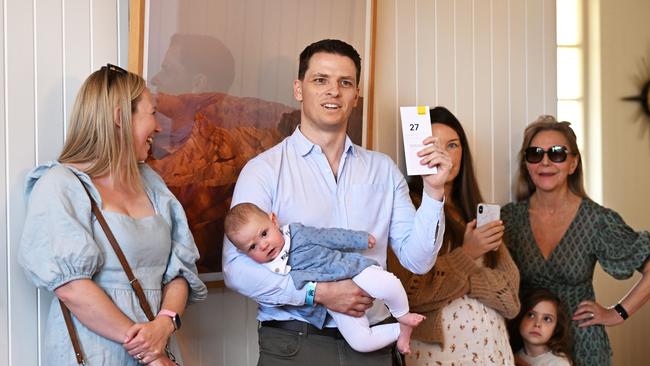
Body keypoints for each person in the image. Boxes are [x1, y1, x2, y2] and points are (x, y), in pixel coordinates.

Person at [223, 39, 452, 366]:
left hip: (373, 342)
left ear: (355, 96)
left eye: (345, 83)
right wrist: (318, 293)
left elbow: (418, 261)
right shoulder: (263, 170)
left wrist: (433, 192)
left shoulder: (382, 169)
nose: (334, 91)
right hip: (294, 342)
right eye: (321, 80)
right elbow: (236, 270)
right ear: (299, 89)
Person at [18, 64, 208, 366]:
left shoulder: (153, 184)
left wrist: (164, 324)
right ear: (121, 118)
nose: (158, 127)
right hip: (97, 352)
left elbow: (180, 270)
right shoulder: (60, 185)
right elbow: (72, 288)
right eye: (152, 113)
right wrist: (147, 349)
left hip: (158, 350)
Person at [502, 115, 650, 366]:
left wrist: (617, 313)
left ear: (572, 163)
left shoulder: (597, 220)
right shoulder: (510, 219)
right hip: (526, 347)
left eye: (557, 153)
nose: (545, 161)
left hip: (583, 345)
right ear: (527, 164)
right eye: (535, 153)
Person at [392, 106, 520, 365]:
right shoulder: (409, 208)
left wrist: (464, 283)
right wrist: (468, 255)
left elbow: (511, 300)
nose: (444, 154)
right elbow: (410, 295)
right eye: (434, 144)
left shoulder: (475, 212)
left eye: (452, 145)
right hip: (438, 354)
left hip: (493, 351)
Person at [225, 202, 426, 354]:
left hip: (349, 269)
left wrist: (359, 238)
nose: (263, 245)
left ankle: (402, 314)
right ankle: (400, 330)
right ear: (244, 253)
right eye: (252, 247)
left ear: (274, 220)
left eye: (264, 233)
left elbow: (329, 236)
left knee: (388, 283)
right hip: (336, 305)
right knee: (360, 342)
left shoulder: (298, 234)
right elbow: (295, 299)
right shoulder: (268, 274)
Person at [509, 288, 573, 366]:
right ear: (520, 318)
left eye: (547, 319)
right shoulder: (512, 355)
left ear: (556, 328)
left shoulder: (559, 363)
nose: (537, 324)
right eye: (531, 315)